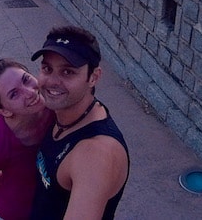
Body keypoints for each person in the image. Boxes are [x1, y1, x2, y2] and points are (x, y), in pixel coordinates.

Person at [30, 26, 130, 220]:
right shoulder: (63, 111)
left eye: (68, 72)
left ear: (94, 77)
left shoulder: (95, 154)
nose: (52, 81)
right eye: (47, 68)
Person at [0, 58, 55, 220]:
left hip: (50, 208)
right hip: (11, 213)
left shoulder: (54, 106)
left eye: (26, 79)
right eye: (14, 94)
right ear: (4, 111)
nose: (30, 92)